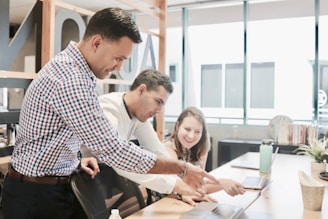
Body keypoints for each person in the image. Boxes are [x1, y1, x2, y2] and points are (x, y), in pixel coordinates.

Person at [2, 8, 217, 219]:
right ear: (97, 42)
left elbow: (55, 134)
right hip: (35, 196)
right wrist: (180, 168)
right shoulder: (71, 80)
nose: (119, 67)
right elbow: (113, 149)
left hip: (54, 185)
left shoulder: (78, 72)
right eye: (118, 58)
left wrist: (75, 160)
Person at [94, 69, 192, 197]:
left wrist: (180, 187)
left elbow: (158, 152)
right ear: (141, 90)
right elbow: (120, 160)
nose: (159, 110)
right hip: (79, 179)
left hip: (103, 179)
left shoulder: (138, 114)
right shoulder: (108, 109)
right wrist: (175, 186)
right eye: (158, 102)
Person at [165, 106, 246, 206]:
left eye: (197, 131)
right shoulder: (168, 149)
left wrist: (224, 184)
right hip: (165, 203)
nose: (191, 136)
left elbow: (199, 186)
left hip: (185, 203)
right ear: (177, 126)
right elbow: (175, 186)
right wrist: (220, 183)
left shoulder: (200, 148)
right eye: (187, 129)